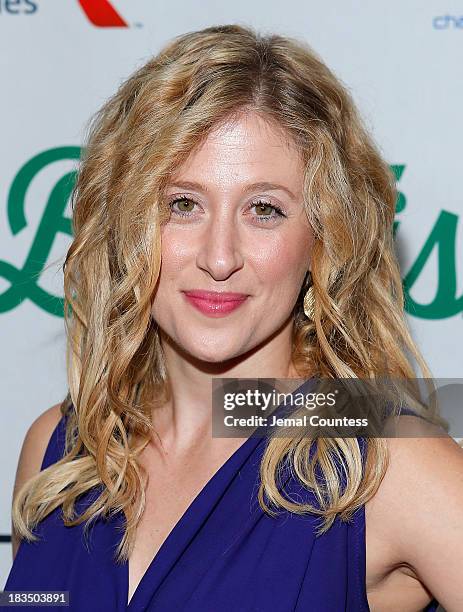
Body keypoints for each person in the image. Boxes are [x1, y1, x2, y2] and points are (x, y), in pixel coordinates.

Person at [4, 23, 463, 611]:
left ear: (324, 238)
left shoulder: (386, 459)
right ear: (125, 222)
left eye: (265, 210)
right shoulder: (61, 451)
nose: (219, 257)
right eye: (183, 204)